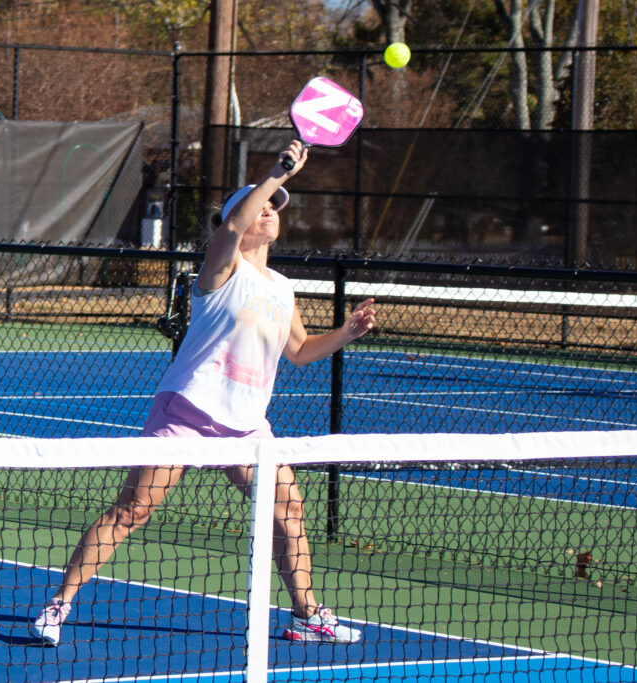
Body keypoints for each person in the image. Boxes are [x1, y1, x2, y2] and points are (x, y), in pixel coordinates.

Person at [30, 141, 377, 646]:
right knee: (133, 510)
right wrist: (276, 174)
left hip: (247, 426)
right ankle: (57, 607)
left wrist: (346, 333)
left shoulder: (282, 287)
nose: (269, 213)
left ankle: (307, 616)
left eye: (275, 209)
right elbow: (233, 226)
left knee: (288, 511)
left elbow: (299, 351)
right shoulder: (222, 267)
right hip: (187, 411)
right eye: (262, 206)